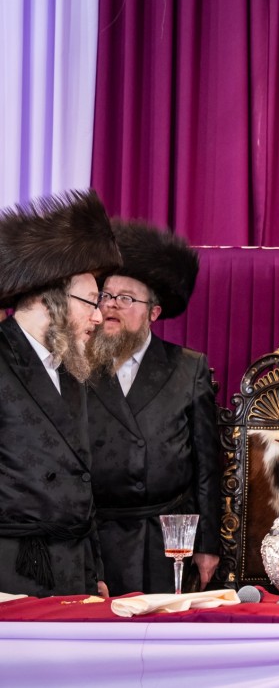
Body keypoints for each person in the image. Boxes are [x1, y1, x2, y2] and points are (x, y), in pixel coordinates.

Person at [86, 221, 221, 595]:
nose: (112, 304)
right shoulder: (76, 366)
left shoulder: (187, 368)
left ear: (154, 312)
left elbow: (207, 467)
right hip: (95, 539)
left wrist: (207, 544)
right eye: (106, 295)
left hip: (164, 540)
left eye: (127, 298)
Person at [0, 190, 122, 597]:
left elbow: (81, 482)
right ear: (46, 299)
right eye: (90, 302)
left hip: (73, 569)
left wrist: (94, 569)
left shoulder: (70, 370)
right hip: (12, 571)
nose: (99, 316)